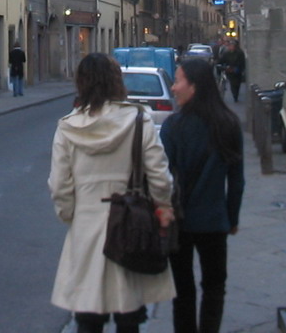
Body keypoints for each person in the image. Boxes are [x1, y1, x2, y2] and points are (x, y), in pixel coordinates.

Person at [48, 53, 176, 333]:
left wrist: (71, 215)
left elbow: (59, 185)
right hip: (131, 224)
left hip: (86, 224)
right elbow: (159, 175)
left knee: (88, 313)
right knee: (128, 313)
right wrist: (163, 206)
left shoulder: (68, 127)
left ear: (81, 83)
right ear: (116, 82)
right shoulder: (137, 120)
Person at [160, 57, 244, 333]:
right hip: (214, 220)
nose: (173, 88)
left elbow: (164, 177)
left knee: (182, 291)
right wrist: (231, 218)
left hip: (180, 221)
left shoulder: (172, 127)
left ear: (193, 86)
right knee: (214, 286)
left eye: (178, 81)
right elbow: (237, 180)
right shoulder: (228, 123)